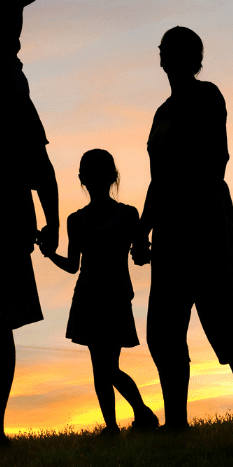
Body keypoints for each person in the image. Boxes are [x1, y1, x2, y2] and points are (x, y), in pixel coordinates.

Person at [132, 26, 233, 431]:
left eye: (175, 50)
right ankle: (176, 421)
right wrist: (143, 230)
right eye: (164, 49)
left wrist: (185, 204)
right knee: (163, 330)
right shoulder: (161, 113)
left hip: (206, 221)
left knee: (220, 316)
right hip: (170, 229)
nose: (166, 56)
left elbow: (216, 159)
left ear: (193, 58)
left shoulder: (207, 96)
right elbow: (157, 179)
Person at [39, 150, 159, 436]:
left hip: (102, 297)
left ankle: (132, 417)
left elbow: (72, 266)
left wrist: (48, 254)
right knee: (106, 366)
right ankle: (123, 421)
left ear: (82, 179)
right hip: (101, 297)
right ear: (113, 177)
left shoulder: (84, 219)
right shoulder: (124, 215)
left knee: (104, 367)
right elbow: (138, 254)